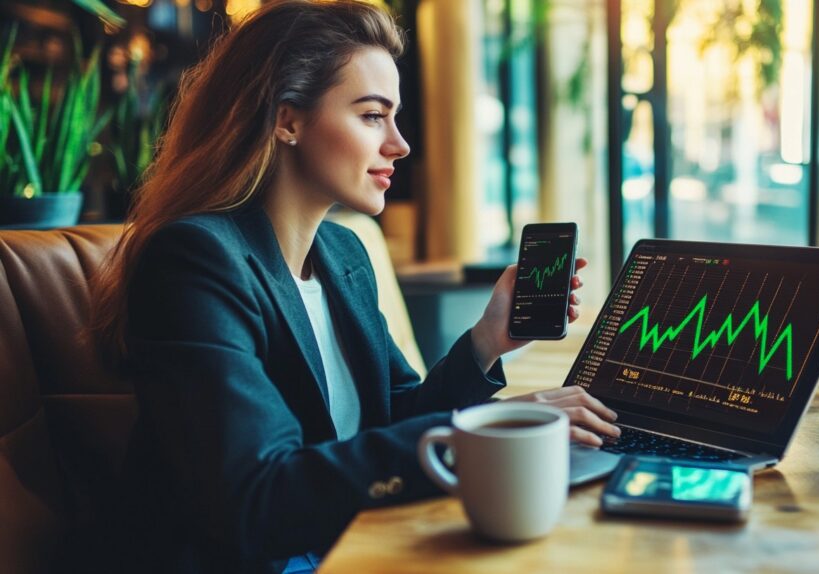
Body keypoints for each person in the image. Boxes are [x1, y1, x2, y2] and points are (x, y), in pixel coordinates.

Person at [89, 2, 619, 573]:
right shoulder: (194, 259)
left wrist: (485, 343)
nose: (399, 144)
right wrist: (489, 431)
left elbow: (390, 421)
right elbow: (255, 500)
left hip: (349, 546)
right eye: (372, 116)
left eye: (394, 118)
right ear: (287, 120)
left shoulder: (344, 254)